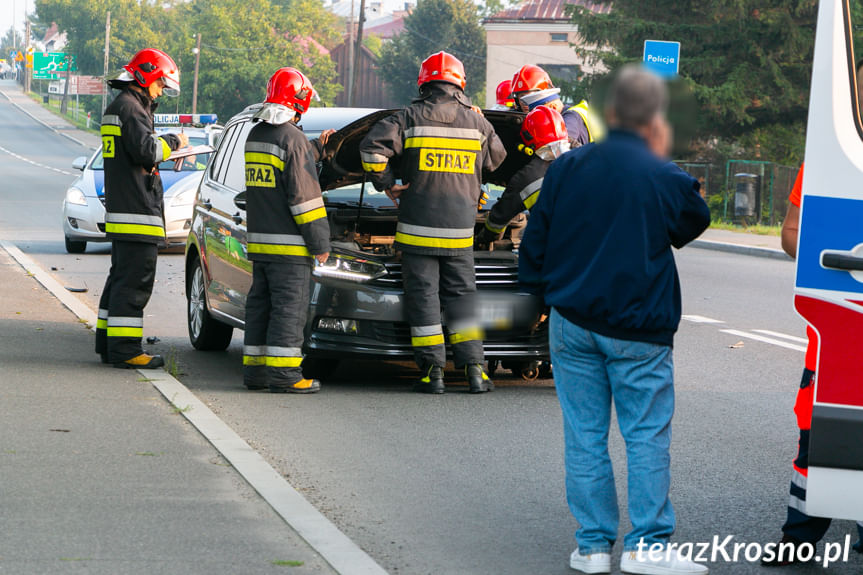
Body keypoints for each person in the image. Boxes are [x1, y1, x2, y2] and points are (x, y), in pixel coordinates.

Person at [519, 65, 710, 575]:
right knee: (645, 435)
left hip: (571, 322)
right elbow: (694, 220)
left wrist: (544, 300)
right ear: (654, 118)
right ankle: (648, 548)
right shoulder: (662, 174)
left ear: (607, 114)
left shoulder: (566, 169)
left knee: (584, 435)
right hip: (638, 329)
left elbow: (533, 246)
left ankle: (593, 548)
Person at [359, 51, 507, 394]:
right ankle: (474, 371)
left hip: (417, 231)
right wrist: (482, 124)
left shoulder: (407, 118)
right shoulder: (477, 122)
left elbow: (371, 151)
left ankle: (433, 374)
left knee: (424, 298)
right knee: (462, 298)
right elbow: (497, 162)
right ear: (459, 84)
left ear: (424, 83)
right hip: (459, 233)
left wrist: (388, 183)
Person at [761, 163, 863, 565]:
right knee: (817, 433)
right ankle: (800, 538)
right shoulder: (826, 160)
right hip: (840, 326)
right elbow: (791, 232)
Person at [94, 48, 188, 369]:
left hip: (124, 210)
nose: (161, 91)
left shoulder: (119, 107)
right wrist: (174, 142)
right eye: (161, 85)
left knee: (120, 280)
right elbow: (147, 152)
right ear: (147, 76)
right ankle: (125, 351)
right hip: (137, 211)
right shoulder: (131, 110)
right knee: (135, 283)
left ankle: (108, 345)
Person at [242, 67, 331, 394]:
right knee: (288, 312)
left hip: (262, 245)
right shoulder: (292, 140)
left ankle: (256, 373)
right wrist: (320, 242)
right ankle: (285, 376)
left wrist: (314, 151)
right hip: (291, 249)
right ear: (301, 101)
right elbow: (304, 200)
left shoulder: (257, 136)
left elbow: (281, 173)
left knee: (261, 308)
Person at [475, 105, 569, 246]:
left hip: (559, 243)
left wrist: (481, 239)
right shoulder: (584, 156)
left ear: (528, 137)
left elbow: (497, 220)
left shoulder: (527, 178)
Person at [510, 64, 601, 147]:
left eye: (530, 97)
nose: (523, 102)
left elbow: (558, 146)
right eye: (521, 96)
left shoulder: (571, 118)